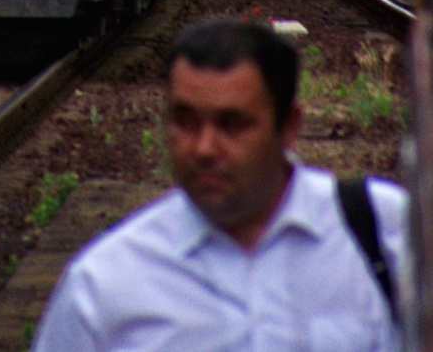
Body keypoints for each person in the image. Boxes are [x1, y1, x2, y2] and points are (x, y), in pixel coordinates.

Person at [32, 17, 407, 351]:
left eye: (233, 124)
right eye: (184, 121)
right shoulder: (104, 286)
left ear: (289, 126)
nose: (204, 148)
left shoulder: (384, 232)